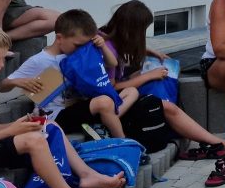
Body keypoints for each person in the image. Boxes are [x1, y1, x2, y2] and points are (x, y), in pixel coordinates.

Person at [0, 21, 124, 188]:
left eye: (3, 59)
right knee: (34, 141)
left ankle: (87, 175)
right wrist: (11, 131)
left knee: (49, 125)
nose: (0, 65)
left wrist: (18, 124)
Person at [99, 0, 225, 161]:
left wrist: (149, 52)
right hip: (115, 103)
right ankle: (219, 143)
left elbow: (125, 47)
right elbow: (112, 87)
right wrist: (148, 75)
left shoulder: (110, 37)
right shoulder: (109, 50)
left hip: (121, 97)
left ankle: (216, 142)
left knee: (166, 103)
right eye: (142, 30)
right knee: (167, 107)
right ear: (132, 29)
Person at [13, 9, 140, 138]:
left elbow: (112, 63)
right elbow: (5, 85)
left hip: (79, 105)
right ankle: (123, 141)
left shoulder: (77, 55)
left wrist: (103, 47)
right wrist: (21, 82)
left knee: (131, 91)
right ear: (60, 38)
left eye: (85, 45)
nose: (82, 49)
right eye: (78, 45)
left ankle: (104, 122)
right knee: (104, 102)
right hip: (56, 115)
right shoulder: (40, 60)